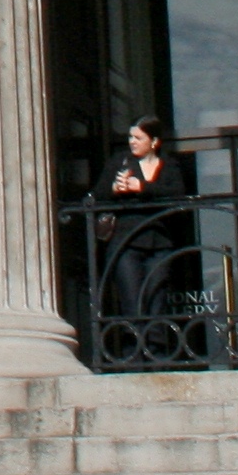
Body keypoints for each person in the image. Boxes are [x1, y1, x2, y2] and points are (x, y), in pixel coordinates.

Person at [99, 117, 179, 347]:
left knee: (156, 298)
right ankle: (134, 353)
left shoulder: (168, 165)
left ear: (154, 142)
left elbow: (176, 195)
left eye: (138, 138)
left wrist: (142, 187)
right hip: (126, 242)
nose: (132, 142)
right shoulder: (120, 162)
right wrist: (115, 189)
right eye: (130, 137)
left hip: (160, 242)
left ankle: (158, 353)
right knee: (132, 299)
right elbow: (97, 193)